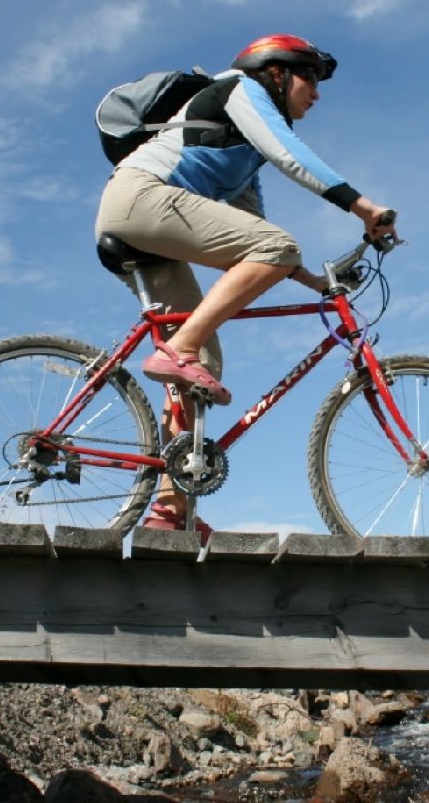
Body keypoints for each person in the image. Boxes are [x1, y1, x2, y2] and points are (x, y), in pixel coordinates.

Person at [94, 33, 397, 537]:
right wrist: (361, 206)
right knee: (261, 264)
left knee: (202, 365)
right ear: (276, 73)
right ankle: (180, 347)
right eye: (310, 79)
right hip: (143, 197)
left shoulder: (243, 154)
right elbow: (290, 155)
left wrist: (312, 282)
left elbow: (252, 230)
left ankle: (170, 511)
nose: (316, 95)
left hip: (142, 221)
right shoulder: (238, 88)